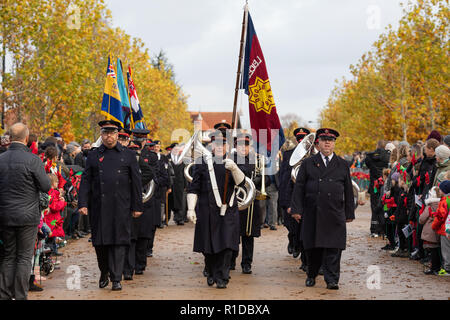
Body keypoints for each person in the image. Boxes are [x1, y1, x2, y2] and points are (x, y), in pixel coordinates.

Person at [78, 120, 143, 291]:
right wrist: (83, 203)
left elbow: (136, 183)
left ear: (117, 135)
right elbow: (85, 180)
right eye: (105, 133)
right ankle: (104, 271)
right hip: (99, 206)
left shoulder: (128, 155)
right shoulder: (93, 155)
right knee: (100, 244)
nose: (109, 137)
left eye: (112, 133)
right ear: (101, 135)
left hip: (121, 206)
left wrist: (137, 206)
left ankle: (116, 278)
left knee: (119, 242)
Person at [290, 128, 355, 290]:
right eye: (324, 139)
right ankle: (311, 275)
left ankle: (332, 279)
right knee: (313, 249)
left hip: (335, 213)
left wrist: (349, 212)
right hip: (313, 212)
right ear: (318, 143)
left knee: (334, 247)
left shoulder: (342, 164)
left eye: (330, 140)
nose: (327, 142)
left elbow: (348, 189)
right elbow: (299, 187)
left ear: (334, 144)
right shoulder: (307, 163)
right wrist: (297, 209)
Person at [187, 129, 245, 289]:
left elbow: (241, 183)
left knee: (226, 245)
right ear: (212, 144)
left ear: (227, 145)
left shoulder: (235, 160)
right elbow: (194, 187)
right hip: (207, 210)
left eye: (223, 143)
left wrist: (234, 169)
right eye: (217, 143)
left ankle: (223, 277)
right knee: (209, 247)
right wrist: (191, 209)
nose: (220, 146)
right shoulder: (202, 162)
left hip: (229, 210)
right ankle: (211, 270)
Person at [0, 123, 51, 300]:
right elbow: (46, 185)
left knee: (8, 256)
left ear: (10, 137)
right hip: (28, 216)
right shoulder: (33, 160)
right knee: (23, 257)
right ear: (27, 139)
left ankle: (4, 294)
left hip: (5, 215)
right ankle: (20, 295)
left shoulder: (1, 159)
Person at [230, 132, 262, 274]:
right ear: (236, 146)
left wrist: (258, 181)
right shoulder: (230, 159)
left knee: (248, 234)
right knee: (232, 233)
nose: (243, 147)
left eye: (246, 145)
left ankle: (247, 263)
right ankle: (231, 260)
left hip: (250, 202)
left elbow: (268, 179)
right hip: (234, 201)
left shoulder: (257, 160)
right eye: (240, 145)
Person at [364, 140, 390, 237]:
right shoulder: (387, 157)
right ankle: (383, 229)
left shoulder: (370, 157)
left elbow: (366, 162)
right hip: (384, 185)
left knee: (374, 207)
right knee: (384, 207)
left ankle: (374, 229)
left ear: (377, 146)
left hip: (374, 185)